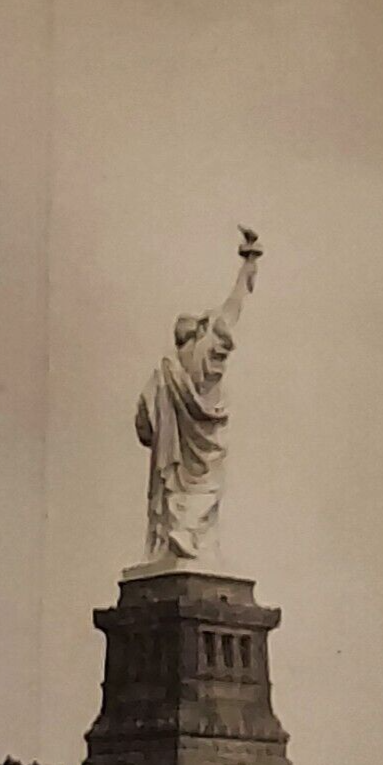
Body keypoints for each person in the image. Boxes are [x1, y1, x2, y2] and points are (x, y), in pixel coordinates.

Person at [134, 231, 261, 566]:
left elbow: (143, 426)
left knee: (177, 497)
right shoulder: (207, 360)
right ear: (200, 334)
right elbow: (232, 309)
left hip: (173, 464)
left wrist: (164, 429)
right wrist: (248, 264)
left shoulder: (164, 374)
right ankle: (189, 537)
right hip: (205, 459)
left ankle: (179, 537)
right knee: (204, 494)